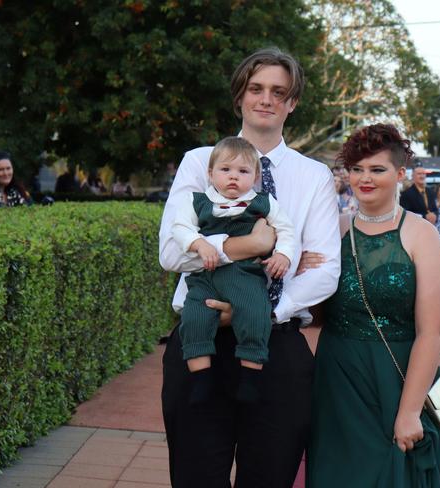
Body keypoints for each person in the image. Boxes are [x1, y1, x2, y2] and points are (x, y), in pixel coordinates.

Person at [158, 47, 341, 487]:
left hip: (276, 346)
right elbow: (171, 254)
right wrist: (254, 244)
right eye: (256, 88)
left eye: (279, 92)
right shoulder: (200, 162)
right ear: (240, 95)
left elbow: (325, 271)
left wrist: (255, 308)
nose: (267, 99)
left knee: (269, 479)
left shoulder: (313, 175)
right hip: (201, 345)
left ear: (292, 102)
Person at [307, 123, 440, 487]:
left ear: (400, 174)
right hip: (336, 377)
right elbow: (312, 314)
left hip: (398, 376)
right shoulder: (332, 228)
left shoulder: (421, 234)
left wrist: (410, 411)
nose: (364, 179)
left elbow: (431, 332)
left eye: (377, 169)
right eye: (356, 169)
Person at [171, 137, 295, 404]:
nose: (233, 178)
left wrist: (284, 254)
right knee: (194, 316)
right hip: (205, 277)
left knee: (255, 313)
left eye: (243, 172)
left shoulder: (263, 202)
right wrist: (199, 243)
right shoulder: (198, 201)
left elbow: (286, 229)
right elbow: (179, 228)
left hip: (245, 275)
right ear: (210, 173)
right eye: (225, 170)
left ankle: (250, 379)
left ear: (256, 175)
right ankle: (200, 380)